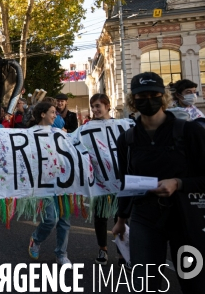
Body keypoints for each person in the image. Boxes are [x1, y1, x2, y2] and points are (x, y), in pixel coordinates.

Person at [112, 72, 205, 291]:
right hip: (146, 217)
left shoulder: (189, 131)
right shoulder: (127, 139)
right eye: (141, 96)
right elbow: (126, 181)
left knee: (194, 284)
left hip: (186, 217)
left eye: (153, 94)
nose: (147, 100)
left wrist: (178, 183)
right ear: (132, 101)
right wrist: (121, 218)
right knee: (144, 284)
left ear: (163, 97)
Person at [28, 101, 72, 265]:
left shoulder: (59, 133)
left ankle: (61, 253)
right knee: (50, 219)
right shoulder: (29, 133)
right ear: (42, 114)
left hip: (63, 181)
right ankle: (37, 239)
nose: (55, 115)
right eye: (52, 112)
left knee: (65, 221)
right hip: (43, 182)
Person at [86, 94, 127, 267]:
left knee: (121, 216)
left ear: (107, 106)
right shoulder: (87, 127)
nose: (95, 110)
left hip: (120, 179)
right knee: (101, 216)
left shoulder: (122, 125)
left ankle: (122, 252)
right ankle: (102, 248)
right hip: (100, 179)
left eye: (98, 106)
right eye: (93, 107)